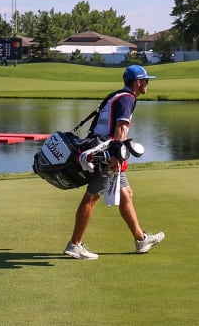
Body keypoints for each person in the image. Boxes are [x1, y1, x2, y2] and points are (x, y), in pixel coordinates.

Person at [64, 65, 165, 259]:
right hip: (106, 154)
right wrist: (116, 157)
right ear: (138, 82)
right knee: (91, 198)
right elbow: (120, 128)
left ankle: (140, 239)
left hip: (103, 149)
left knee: (126, 192)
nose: (147, 84)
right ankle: (74, 245)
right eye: (146, 80)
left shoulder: (119, 95)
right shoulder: (128, 98)